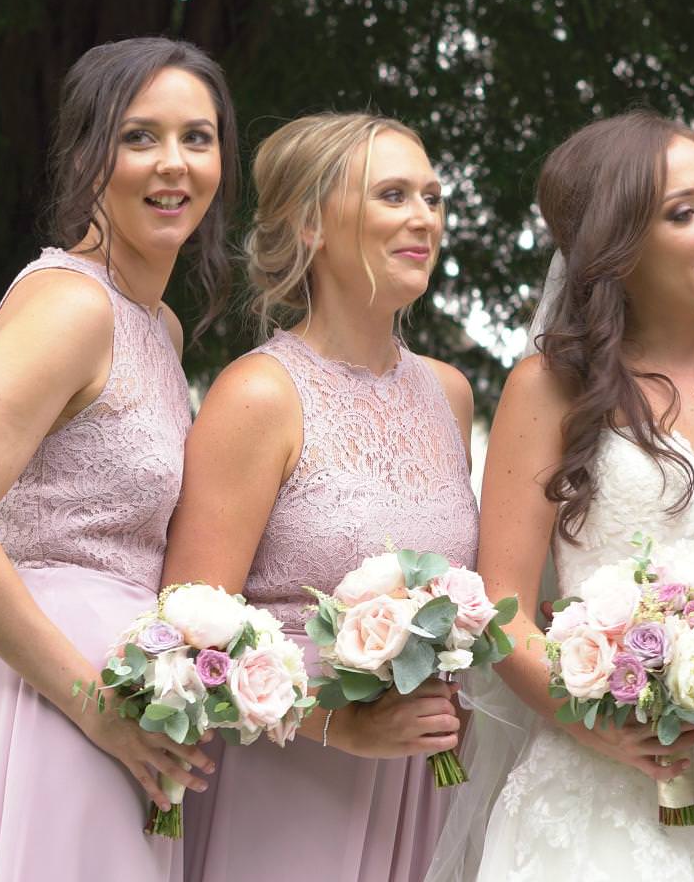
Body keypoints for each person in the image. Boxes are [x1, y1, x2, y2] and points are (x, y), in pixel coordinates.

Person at [0, 37, 236, 879]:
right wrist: (91, 704)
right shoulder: (69, 307)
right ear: (87, 155)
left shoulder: (158, 327)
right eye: (138, 136)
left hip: (123, 707)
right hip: (43, 695)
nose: (173, 164)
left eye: (198, 137)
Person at [463, 110, 694, 880]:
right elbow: (502, 606)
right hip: (603, 786)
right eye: (682, 214)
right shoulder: (550, 389)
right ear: (618, 251)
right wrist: (595, 724)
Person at [164, 114, 477, 880]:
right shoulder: (258, 395)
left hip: (420, 786)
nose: (423, 218)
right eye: (393, 195)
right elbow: (186, 634)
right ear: (311, 225)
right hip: (285, 786)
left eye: (432, 197)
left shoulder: (450, 394)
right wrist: (341, 725)